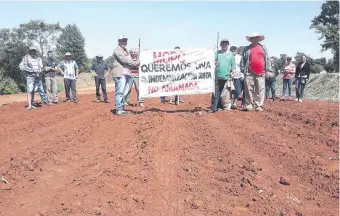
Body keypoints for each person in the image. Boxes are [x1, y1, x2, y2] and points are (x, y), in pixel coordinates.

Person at [240, 33, 270, 112]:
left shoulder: (263, 48)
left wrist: (267, 70)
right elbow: (243, 60)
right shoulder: (247, 48)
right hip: (249, 72)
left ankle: (257, 105)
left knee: (259, 89)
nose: (255, 39)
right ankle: (249, 104)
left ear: (258, 39)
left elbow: (267, 59)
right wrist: (243, 70)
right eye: (253, 38)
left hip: (261, 72)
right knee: (248, 89)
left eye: (256, 38)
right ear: (251, 39)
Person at [112, 35, 140, 116]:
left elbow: (129, 60)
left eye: (125, 41)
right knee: (120, 92)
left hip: (127, 73)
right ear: (119, 41)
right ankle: (118, 109)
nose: (124, 42)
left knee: (125, 91)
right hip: (120, 74)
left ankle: (122, 108)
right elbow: (124, 60)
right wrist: (136, 63)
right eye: (122, 40)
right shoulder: (117, 50)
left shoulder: (125, 50)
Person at [210, 38, 236, 113]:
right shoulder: (217, 53)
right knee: (216, 93)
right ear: (220, 45)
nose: (224, 45)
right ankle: (214, 107)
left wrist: (233, 73)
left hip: (227, 77)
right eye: (223, 44)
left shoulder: (231, 54)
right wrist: (215, 62)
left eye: (226, 44)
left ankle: (223, 106)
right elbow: (212, 62)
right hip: (217, 76)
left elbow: (233, 66)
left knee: (225, 93)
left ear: (228, 45)